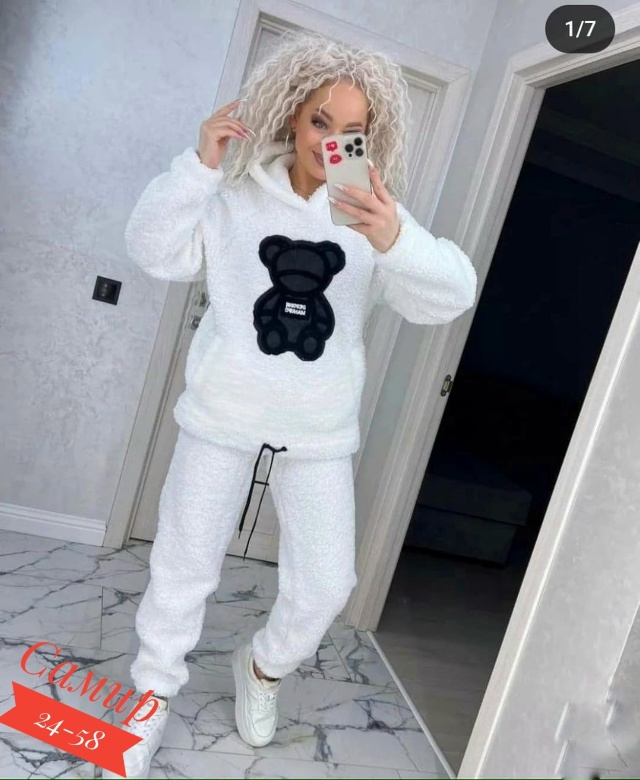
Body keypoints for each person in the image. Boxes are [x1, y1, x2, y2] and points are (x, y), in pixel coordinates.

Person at [105, 29, 477, 779]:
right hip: (221, 420)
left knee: (326, 584)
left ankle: (263, 667)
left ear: (371, 138)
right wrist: (199, 166)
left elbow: (450, 297)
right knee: (183, 565)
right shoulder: (235, 197)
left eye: (351, 130)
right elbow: (153, 250)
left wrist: (395, 238)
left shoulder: (372, 215)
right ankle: (151, 694)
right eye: (318, 121)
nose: (328, 142)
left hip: (318, 435)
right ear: (291, 115)